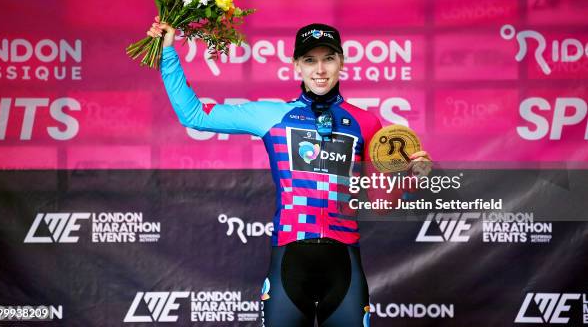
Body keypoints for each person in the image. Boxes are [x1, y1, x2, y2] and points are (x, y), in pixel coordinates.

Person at [148, 17, 431, 327]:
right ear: (297, 66)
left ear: (342, 63)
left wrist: (410, 176)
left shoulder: (366, 123)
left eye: (328, 59)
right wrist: (168, 52)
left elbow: (382, 203)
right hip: (289, 264)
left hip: (344, 266)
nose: (320, 70)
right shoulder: (273, 115)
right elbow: (193, 115)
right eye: (310, 60)